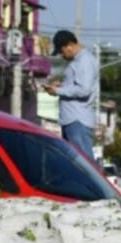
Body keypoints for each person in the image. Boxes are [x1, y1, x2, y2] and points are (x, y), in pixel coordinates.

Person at [44, 29, 97, 161]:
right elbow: (77, 86)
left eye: (62, 51)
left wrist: (58, 91)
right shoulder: (77, 61)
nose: (62, 55)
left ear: (70, 45)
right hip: (71, 120)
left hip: (77, 120)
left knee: (83, 163)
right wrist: (61, 86)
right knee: (73, 163)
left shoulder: (84, 61)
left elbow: (84, 90)